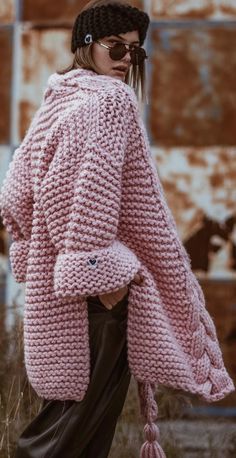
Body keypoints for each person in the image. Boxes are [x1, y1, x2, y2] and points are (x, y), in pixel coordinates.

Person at [0, 1, 234, 457]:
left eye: (136, 52)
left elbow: (16, 198)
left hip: (61, 296)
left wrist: (52, 255)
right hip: (97, 296)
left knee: (68, 423)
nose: (128, 59)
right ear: (87, 47)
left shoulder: (60, 99)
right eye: (116, 48)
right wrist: (100, 277)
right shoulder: (109, 100)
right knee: (70, 436)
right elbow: (85, 194)